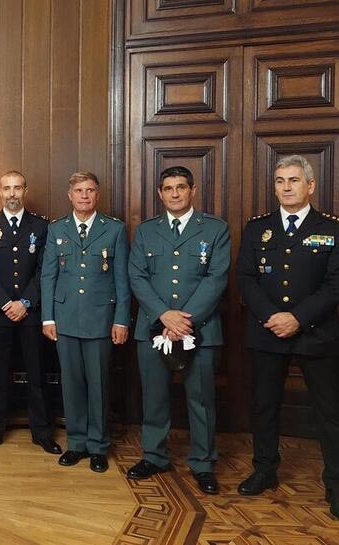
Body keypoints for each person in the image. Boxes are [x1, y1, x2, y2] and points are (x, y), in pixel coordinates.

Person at [236, 155, 339, 521]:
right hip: (268, 330)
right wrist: (273, 317)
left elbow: (338, 285)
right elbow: (246, 278)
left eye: (293, 180)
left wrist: (298, 318)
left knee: (330, 414)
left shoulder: (334, 228)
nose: (285, 187)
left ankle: (336, 487)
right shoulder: (258, 227)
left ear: (310, 185)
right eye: (279, 181)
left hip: (316, 333)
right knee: (265, 406)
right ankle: (265, 470)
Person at [127, 166, 230, 494]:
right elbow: (137, 277)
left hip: (200, 329)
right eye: (168, 188)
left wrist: (184, 321)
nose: (174, 193)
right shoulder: (146, 231)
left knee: (200, 399)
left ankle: (203, 462)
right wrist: (163, 316)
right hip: (153, 329)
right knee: (153, 396)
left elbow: (217, 279)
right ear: (160, 193)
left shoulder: (215, 229)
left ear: (192, 190)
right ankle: (154, 456)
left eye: (181, 187)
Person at [40, 171, 130, 472]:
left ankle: (98, 446)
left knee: (99, 384)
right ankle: (76, 443)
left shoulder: (114, 230)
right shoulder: (57, 229)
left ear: (97, 195)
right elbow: (48, 275)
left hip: (100, 319)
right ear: (70, 195)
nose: (84, 196)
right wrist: (48, 317)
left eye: (90, 190)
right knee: (72, 384)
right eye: (79, 190)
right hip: (65, 320)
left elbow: (122, 280)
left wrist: (121, 321)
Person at [0, 171, 61, 456]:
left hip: (31, 313)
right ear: (0, 192)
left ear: (25, 190)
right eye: (7, 188)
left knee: (37, 374)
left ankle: (42, 431)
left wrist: (25, 302)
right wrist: (5, 303)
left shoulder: (41, 226)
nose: (12, 194)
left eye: (17, 188)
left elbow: (44, 269)